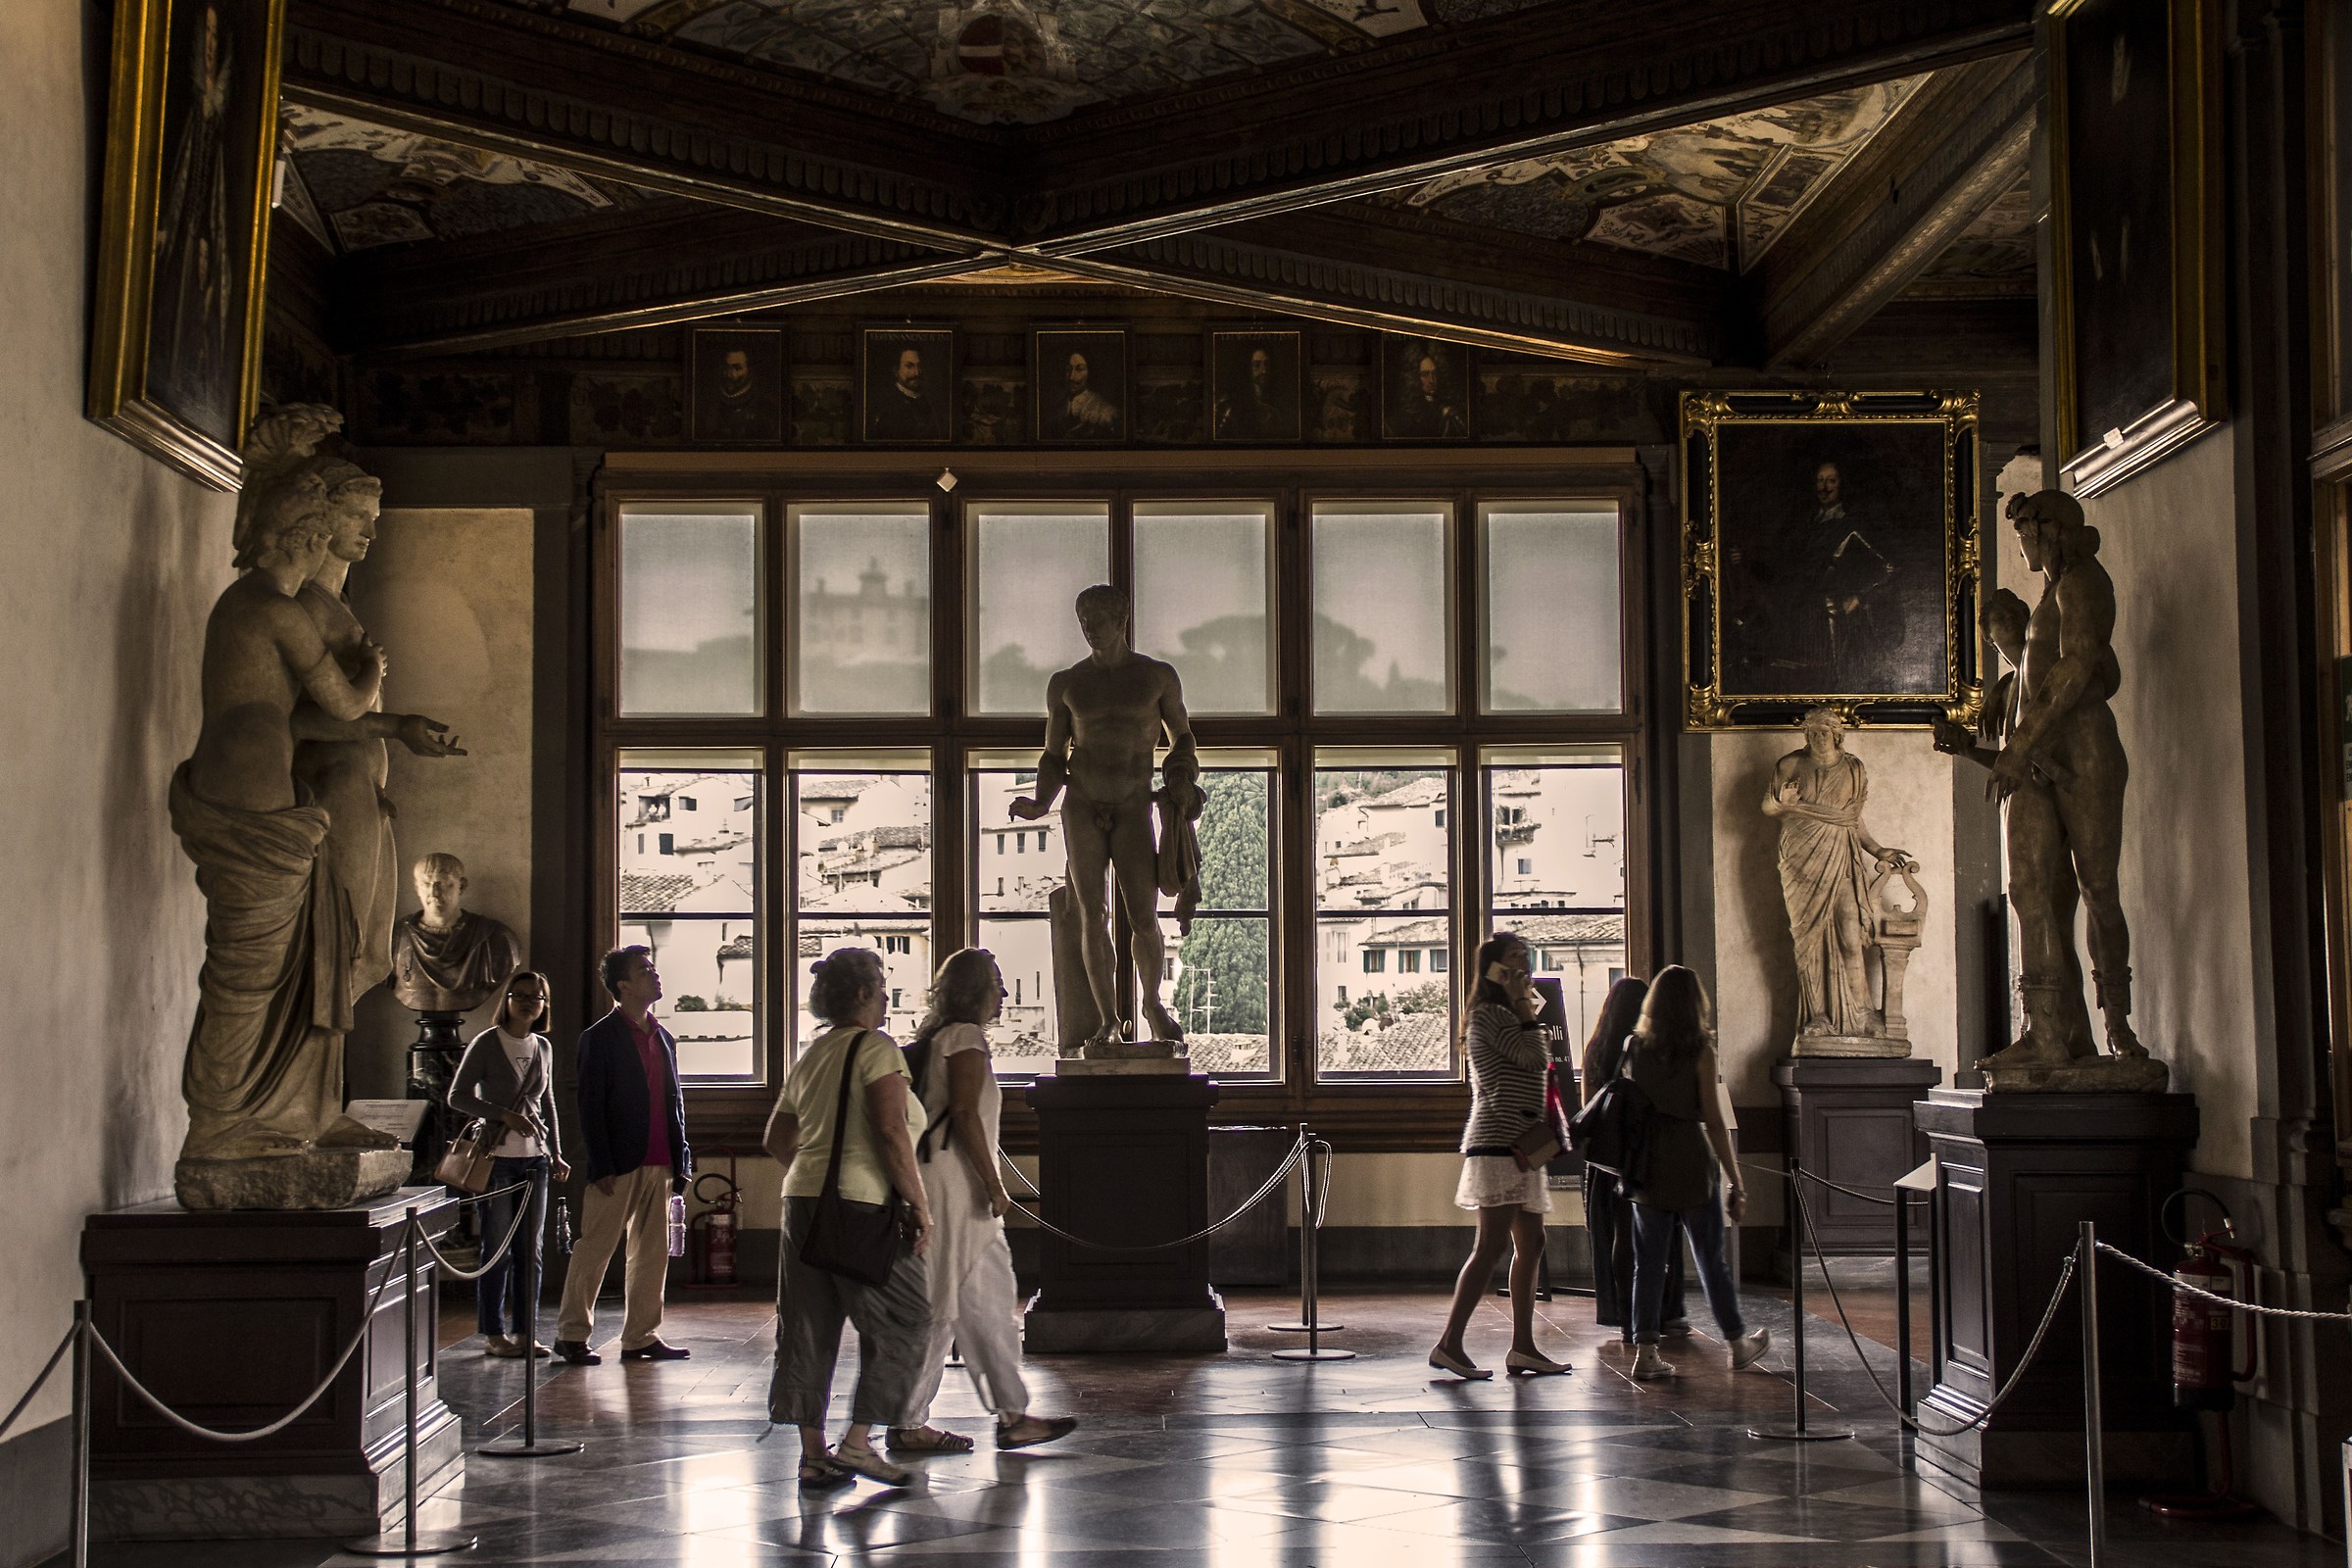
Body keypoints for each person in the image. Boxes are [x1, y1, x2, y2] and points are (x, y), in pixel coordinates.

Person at [891, 950, 1078, 1454]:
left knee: (983, 1301)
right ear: (977, 990)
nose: (1004, 994)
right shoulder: (965, 1038)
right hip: (955, 1187)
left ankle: (1011, 1414)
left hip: (948, 1182)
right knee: (945, 1298)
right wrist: (995, 1185)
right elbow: (966, 1114)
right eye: (997, 983)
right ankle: (908, 1418)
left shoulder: (939, 1038)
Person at [765, 948, 937, 1490]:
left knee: (807, 1326)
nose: (887, 997)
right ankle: (859, 1443)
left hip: (801, 1202)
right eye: (882, 987)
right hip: (862, 1205)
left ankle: (814, 1456)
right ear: (863, 995)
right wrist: (919, 1204)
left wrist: (817, 1175)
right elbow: (891, 1132)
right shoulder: (878, 1048)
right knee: (912, 1317)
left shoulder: (810, 1055)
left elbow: (776, 1139)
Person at [1429, 932, 1572, 1380]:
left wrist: (1523, 1009)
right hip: (1498, 1142)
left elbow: (1535, 1062)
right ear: (1492, 968)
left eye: (1526, 960)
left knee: (1532, 1243)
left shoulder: (1507, 1013)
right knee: (1489, 1246)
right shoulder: (1489, 1016)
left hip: (1521, 1144)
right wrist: (1526, 1009)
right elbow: (1533, 1058)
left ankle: (1524, 1347)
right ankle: (1450, 1343)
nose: (1523, 969)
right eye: (1513, 960)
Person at [1620, 965, 1772, 1381]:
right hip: (1689, 1158)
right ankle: (1737, 1343)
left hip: (1648, 1160)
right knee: (1710, 1259)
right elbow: (1714, 1121)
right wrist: (1736, 1181)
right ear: (1695, 1004)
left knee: (1648, 1262)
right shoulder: (1701, 1050)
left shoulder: (1634, 1046)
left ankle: (1646, 1352)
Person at [554, 946, 692, 1365]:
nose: (654, 975)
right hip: (618, 1162)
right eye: (643, 970)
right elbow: (590, 1107)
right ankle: (572, 1333)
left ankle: (641, 1337)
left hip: (660, 1159)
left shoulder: (664, 1037)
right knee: (594, 1248)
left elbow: (675, 1102)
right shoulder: (599, 1038)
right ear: (623, 986)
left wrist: (680, 1157)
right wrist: (601, 1163)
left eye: (652, 968)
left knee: (651, 1254)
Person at [449, 970, 569, 1357]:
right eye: (521, 996)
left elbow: (547, 1104)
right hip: (496, 1159)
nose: (529, 1002)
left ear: (544, 1005)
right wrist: (503, 1114)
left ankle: (525, 1331)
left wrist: (556, 1151)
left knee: (530, 1252)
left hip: (534, 1160)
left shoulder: (543, 1047)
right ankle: (493, 1332)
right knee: (496, 1247)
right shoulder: (487, 1043)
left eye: (537, 997)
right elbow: (457, 1096)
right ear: (508, 1000)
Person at [1580, 975, 1685, 1341]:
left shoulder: (1596, 1049)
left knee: (1619, 1237)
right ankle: (1658, 1314)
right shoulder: (1648, 1048)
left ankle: (1625, 1316)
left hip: (1608, 1159)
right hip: (1646, 1155)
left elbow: (1588, 1107)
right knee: (1656, 1236)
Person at [867, 345, 947, 441]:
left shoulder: (929, 402)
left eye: (919, 366)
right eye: (909, 366)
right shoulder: (885, 404)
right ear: (896, 371)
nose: (917, 373)